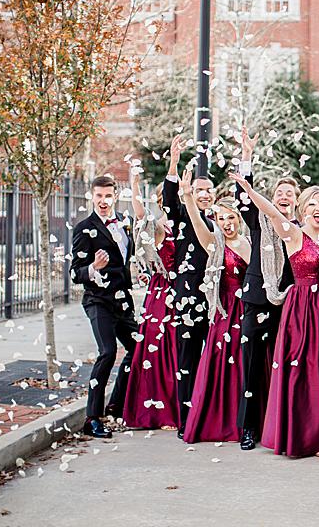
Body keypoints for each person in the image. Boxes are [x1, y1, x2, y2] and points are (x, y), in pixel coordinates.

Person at [231, 176, 319, 458]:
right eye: (312, 204)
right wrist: (249, 190)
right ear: (302, 209)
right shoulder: (294, 234)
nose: (318, 208)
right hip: (303, 309)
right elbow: (270, 212)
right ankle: (301, 434)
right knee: (302, 369)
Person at [234, 126, 298, 451]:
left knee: (287, 369)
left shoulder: (300, 232)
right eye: (279, 193)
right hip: (257, 302)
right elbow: (243, 198)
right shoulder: (259, 225)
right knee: (251, 365)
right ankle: (247, 428)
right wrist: (247, 155)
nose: (284, 197)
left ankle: (283, 426)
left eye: (289, 194)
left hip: (289, 307)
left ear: (296, 203)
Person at [179, 171, 251, 444]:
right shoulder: (214, 243)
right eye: (222, 219)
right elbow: (198, 225)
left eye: (231, 217)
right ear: (217, 222)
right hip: (222, 311)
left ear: (238, 219)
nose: (227, 223)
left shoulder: (246, 245)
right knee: (219, 361)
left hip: (243, 309)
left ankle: (244, 424)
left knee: (243, 363)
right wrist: (187, 196)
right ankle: (214, 420)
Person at [70, 175, 138, 439]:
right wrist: (93, 268)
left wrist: (138, 274)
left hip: (122, 300)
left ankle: (116, 403)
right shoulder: (84, 228)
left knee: (138, 348)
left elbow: (127, 260)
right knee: (108, 352)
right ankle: (92, 418)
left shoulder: (125, 222)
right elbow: (75, 273)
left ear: (115, 196)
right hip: (98, 300)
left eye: (107, 196)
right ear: (92, 196)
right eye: (98, 196)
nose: (103, 201)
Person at [162, 135, 216, 438]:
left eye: (208, 190)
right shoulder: (182, 218)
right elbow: (169, 204)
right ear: (191, 193)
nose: (204, 194)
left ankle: (210, 414)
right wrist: (173, 163)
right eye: (199, 190)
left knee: (216, 361)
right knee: (187, 360)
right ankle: (186, 420)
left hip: (219, 301)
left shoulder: (223, 220)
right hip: (188, 299)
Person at [122, 167, 181, 430]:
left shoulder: (191, 224)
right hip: (162, 291)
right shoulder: (158, 227)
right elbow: (141, 215)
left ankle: (179, 406)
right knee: (159, 348)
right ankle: (159, 411)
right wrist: (135, 188)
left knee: (180, 351)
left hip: (186, 293)